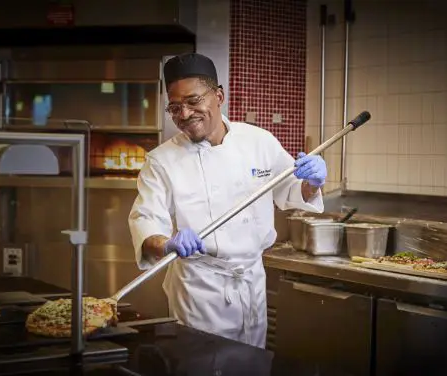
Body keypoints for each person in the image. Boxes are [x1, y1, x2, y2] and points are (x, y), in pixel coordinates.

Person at [128, 53, 327, 349]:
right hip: (200, 291)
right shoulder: (161, 161)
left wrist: (312, 182)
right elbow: (146, 220)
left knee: (251, 364)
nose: (184, 114)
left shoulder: (259, 141)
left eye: (194, 101)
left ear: (218, 96)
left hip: (250, 282)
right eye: (175, 107)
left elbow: (291, 191)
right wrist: (165, 243)